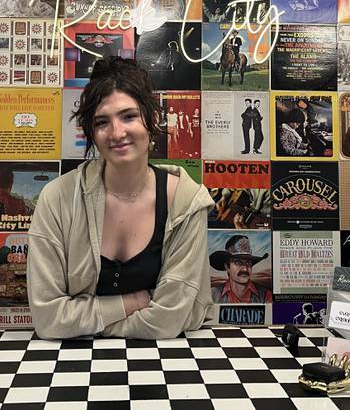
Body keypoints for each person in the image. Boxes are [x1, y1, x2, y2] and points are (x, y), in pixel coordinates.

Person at [28, 57, 215, 340]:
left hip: (171, 366)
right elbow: (48, 319)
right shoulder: (57, 199)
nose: (117, 133)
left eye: (129, 116)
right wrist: (134, 302)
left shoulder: (186, 202)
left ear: (152, 119)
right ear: (91, 132)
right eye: (102, 122)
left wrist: (81, 321)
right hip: (71, 368)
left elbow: (166, 322)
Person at [210, 235, 272, 303]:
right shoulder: (213, 295)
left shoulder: (265, 295)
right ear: (227, 267)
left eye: (248, 263)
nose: (245, 269)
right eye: (238, 263)